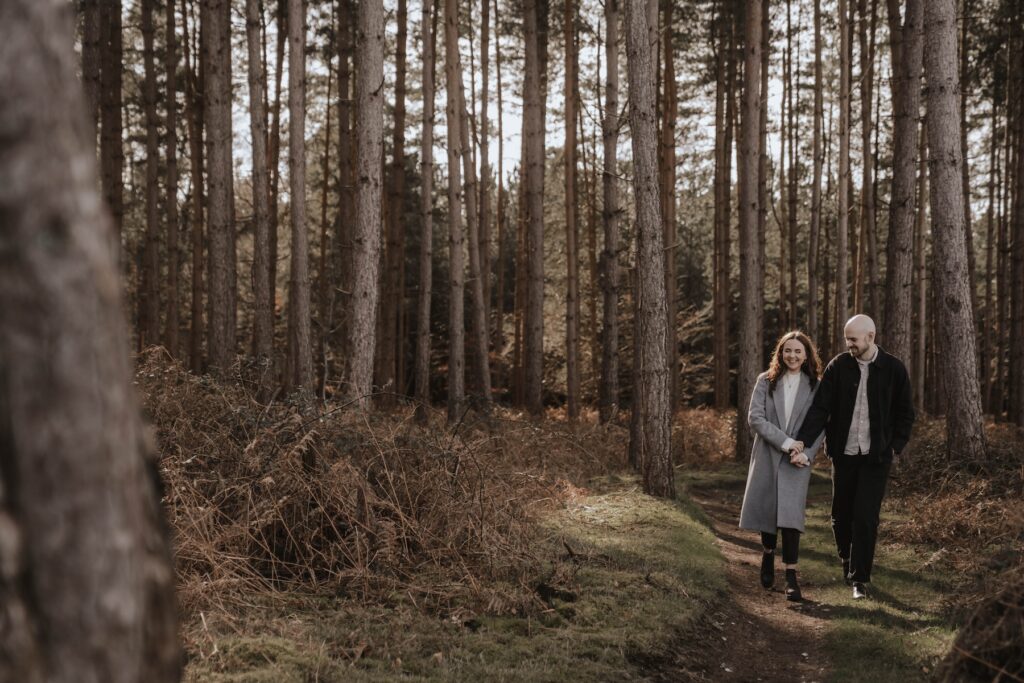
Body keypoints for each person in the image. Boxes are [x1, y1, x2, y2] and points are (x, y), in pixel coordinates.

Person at [795, 314, 915, 599]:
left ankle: (859, 579)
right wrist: (803, 441)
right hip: (845, 454)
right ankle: (847, 561)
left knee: (865, 517)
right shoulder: (839, 366)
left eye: (853, 339)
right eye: (847, 339)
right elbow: (821, 408)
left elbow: (905, 412)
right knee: (840, 515)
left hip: (876, 457)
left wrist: (895, 446)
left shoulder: (894, 369)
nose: (849, 344)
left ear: (870, 337)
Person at [739, 331, 825, 602]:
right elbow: (755, 418)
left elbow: (821, 423)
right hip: (769, 453)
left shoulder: (815, 385)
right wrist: (786, 442)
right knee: (768, 509)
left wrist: (807, 454)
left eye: (798, 351)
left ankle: (790, 576)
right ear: (780, 352)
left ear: (807, 355)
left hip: (797, 460)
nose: (792, 356)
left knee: (790, 516)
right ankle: (767, 554)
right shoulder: (766, 381)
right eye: (787, 350)